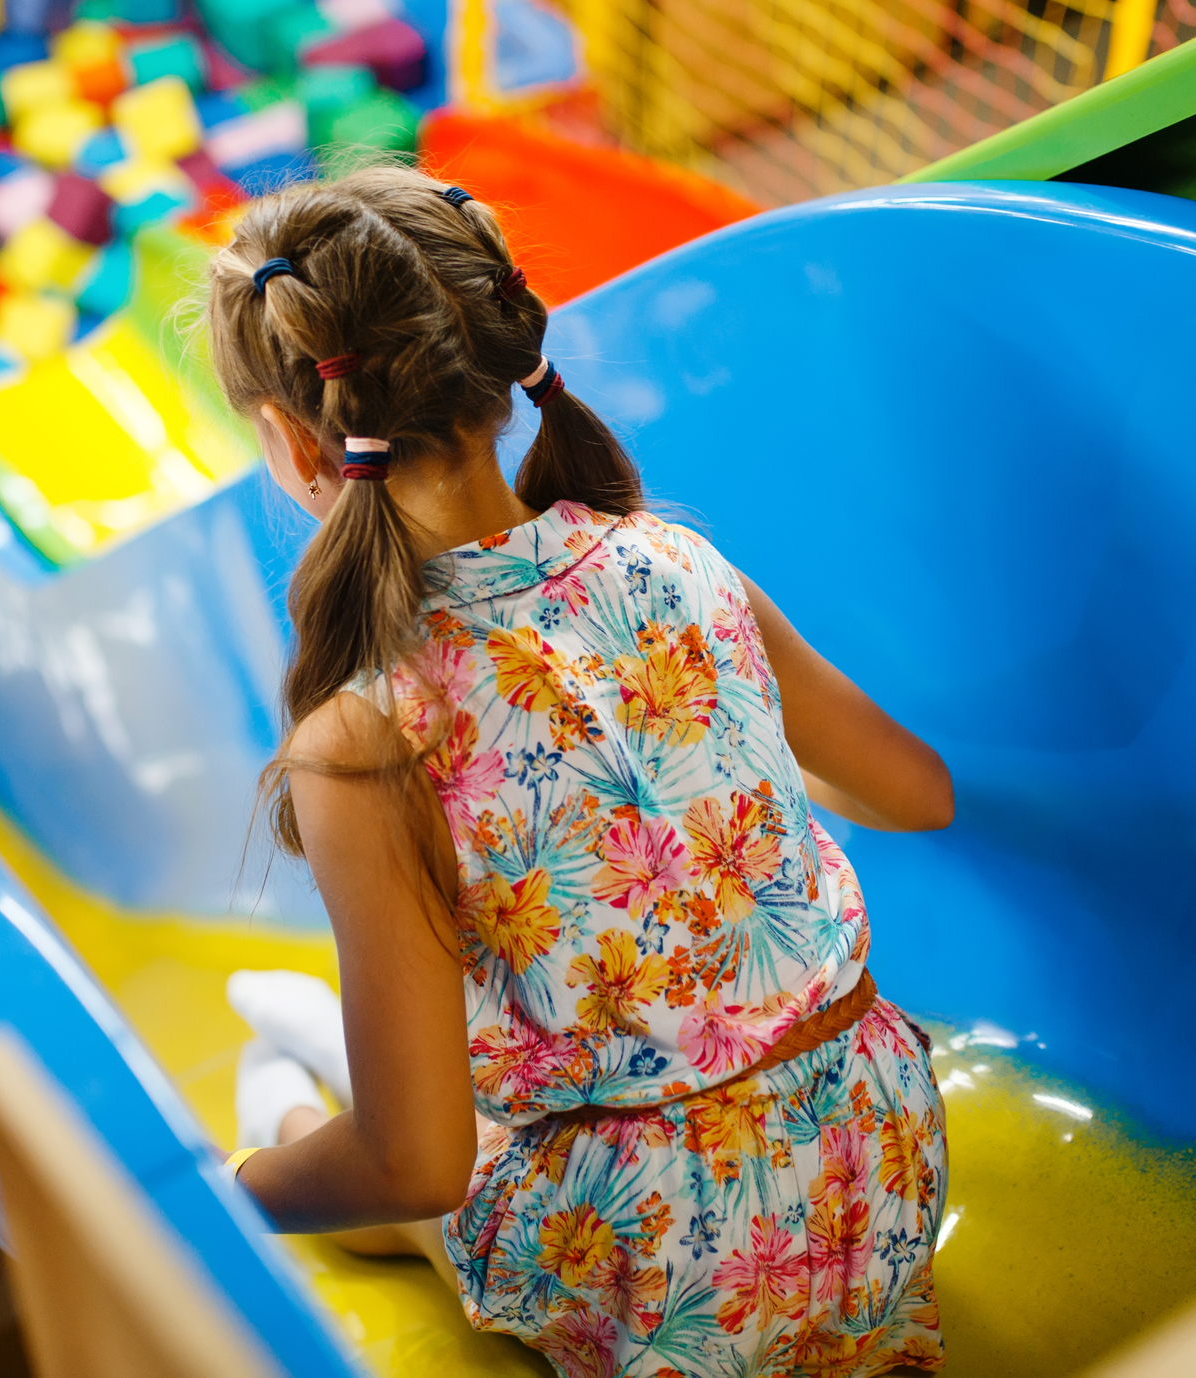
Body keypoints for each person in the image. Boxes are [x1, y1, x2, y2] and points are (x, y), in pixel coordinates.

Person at [209, 165, 957, 1376]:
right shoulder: (672, 562)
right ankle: (309, 1046)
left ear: (297, 441)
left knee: (327, 1148)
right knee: (497, 1085)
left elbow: (416, 1161)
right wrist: (703, 768)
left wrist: (224, 1197)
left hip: (676, 1271)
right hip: (880, 1160)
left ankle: (275, 1098)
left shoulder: (366, 732)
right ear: (501, 368)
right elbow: (918, 794)